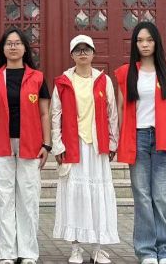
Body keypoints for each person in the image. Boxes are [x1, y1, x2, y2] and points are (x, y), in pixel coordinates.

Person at [114, 22, 166, 264]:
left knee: (162, 197)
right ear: (135, 44)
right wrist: (121, 138)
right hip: (138, 138)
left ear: (156, 42)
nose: (144, 44)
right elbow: (121, 109)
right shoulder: (125, 73)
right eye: (140, 40)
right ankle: (146, 251)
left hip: (162, 138)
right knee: (142, 196)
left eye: (149, 40)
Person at [0, 27, 51, 264]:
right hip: (0, 142)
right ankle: (6, 253)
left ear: (24, 47)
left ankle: (28, 252)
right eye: (8, 43)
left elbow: (44, 113)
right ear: (2, 48)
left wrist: (47, 144)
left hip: (30, 143)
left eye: (17, 43)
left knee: (28, 197)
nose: (13, 47)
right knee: (2, 197)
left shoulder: (37, 77)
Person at [52, 35, 119, 264]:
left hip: (97, 146)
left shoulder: (103, 80)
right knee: (75, 197)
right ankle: (76, 248)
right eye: (78, 50)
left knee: (97, 196)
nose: (82, 53)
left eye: (86, 49)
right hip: (73, 145)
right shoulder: (63, 81)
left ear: (93, 53)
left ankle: (98, 249)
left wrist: (113, 142)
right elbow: (55, 115)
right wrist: (57, 144)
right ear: (72, 55)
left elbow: (112, 113)